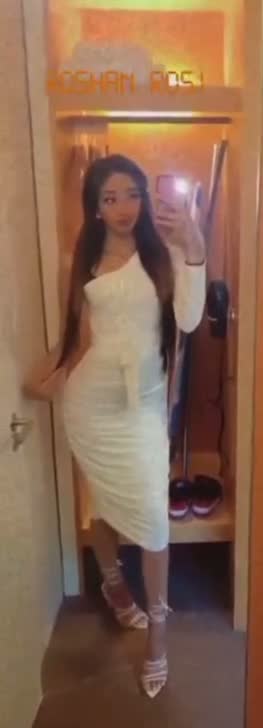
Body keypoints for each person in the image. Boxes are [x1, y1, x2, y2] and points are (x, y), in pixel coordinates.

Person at [23, 154, 206, 698]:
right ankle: (113, 585)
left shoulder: (164, 251)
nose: (124, 207)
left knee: (152, 522)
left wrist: (195, 243)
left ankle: (158, 641)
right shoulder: (80, 260)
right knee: (102, 502)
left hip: (143, 409)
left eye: (132, 194)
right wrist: (40, 382)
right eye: (110, 198)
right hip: (91, 405)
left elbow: (189, 319)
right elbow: (77, 339)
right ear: (95, 207)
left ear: (145, 199)